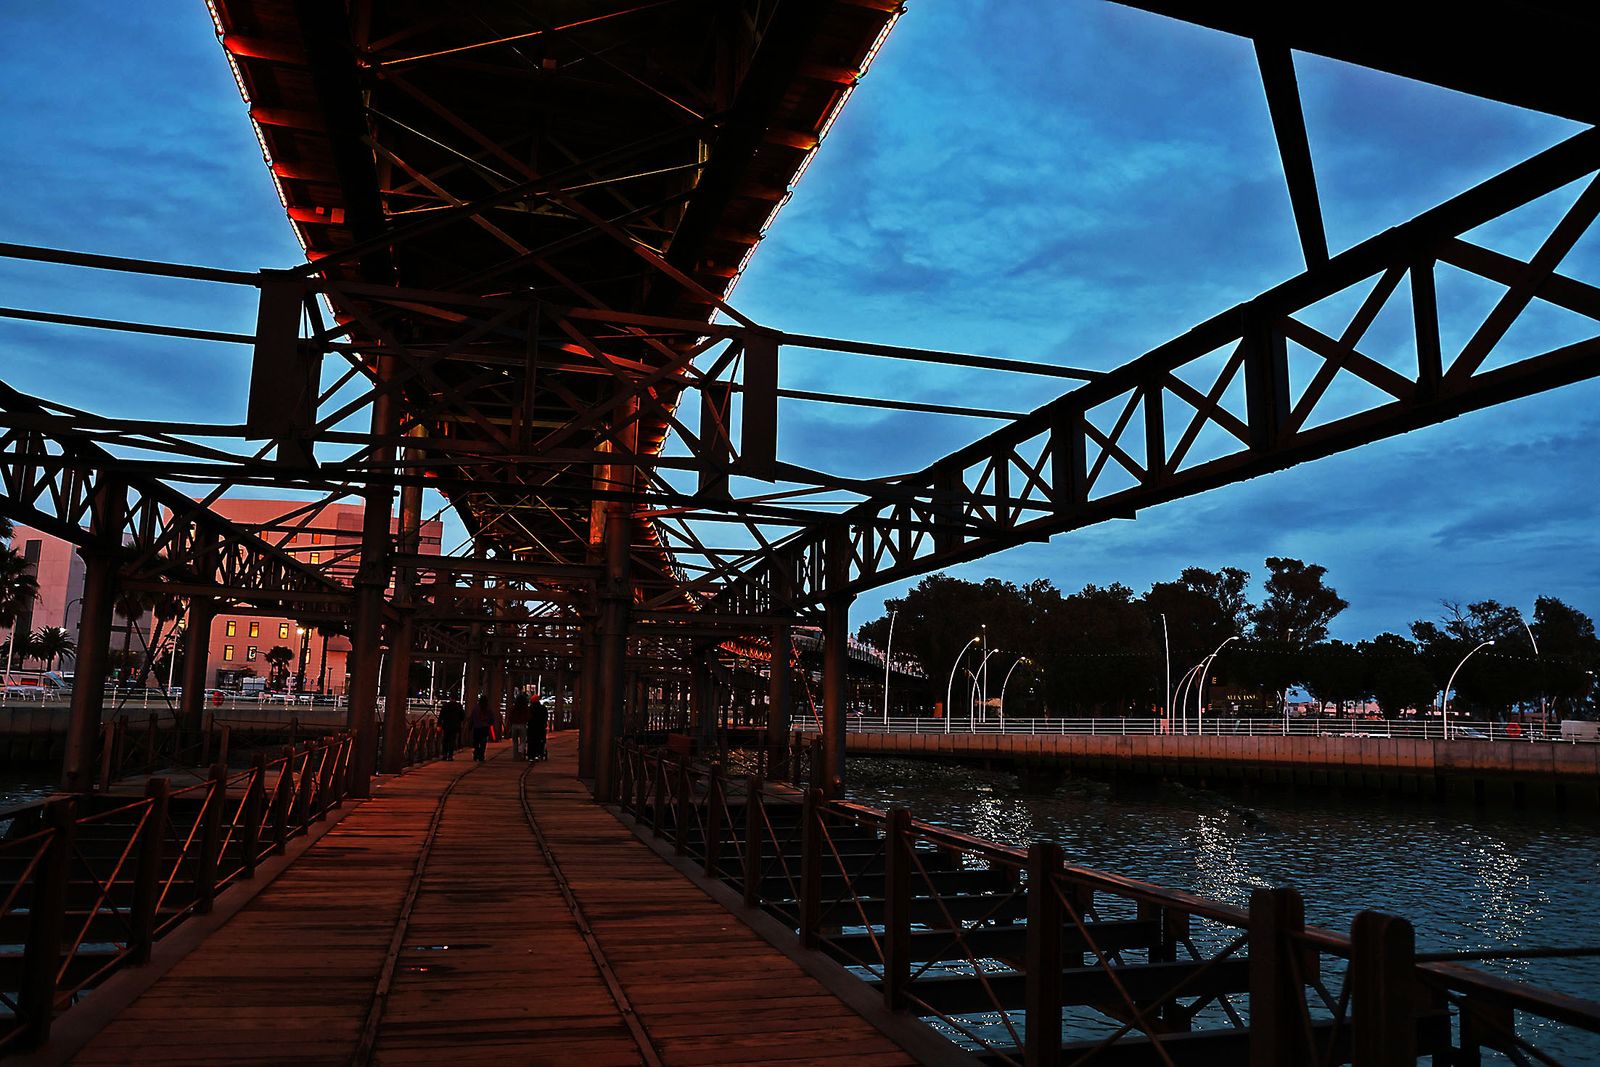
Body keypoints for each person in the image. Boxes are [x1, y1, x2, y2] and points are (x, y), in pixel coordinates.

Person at [508, 686, 531, 759]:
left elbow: (510, 717)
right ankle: (521, 752)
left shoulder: (514, 708)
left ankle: (515, 755)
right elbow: (528, 717)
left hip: (514, 725)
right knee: (523, 740)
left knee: (515, 741)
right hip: (522, 725)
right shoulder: (525, 708)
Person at [470, 693, 494, 762]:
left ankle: (476, 753)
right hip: (485, 727)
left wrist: (471, 726)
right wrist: (490, 723)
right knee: (483, 742)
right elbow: (491, 718)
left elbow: (472, 717)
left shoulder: (476, 708)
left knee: (476, 742)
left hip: (477, 727)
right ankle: (481, 755)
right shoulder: (488, 708)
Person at [528, 690, 548, 762]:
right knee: (540, 740)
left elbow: (528, 717)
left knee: (531, 741)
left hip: (531, 727)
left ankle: (531, 755)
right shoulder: (543, 708)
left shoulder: (530, 708)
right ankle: (539, 753)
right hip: (541, 727)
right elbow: (545, 717)